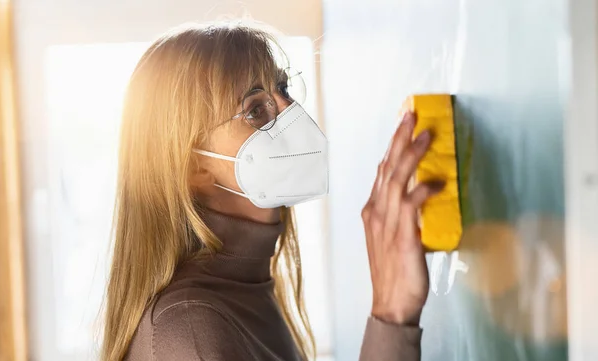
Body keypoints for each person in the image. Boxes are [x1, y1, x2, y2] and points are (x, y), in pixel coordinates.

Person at [100, 21, 444, 361]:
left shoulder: (245, 290)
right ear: (194, 167)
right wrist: (391, 315)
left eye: (284, 89)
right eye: (255, 109)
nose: (290, 113)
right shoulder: (189, 329)